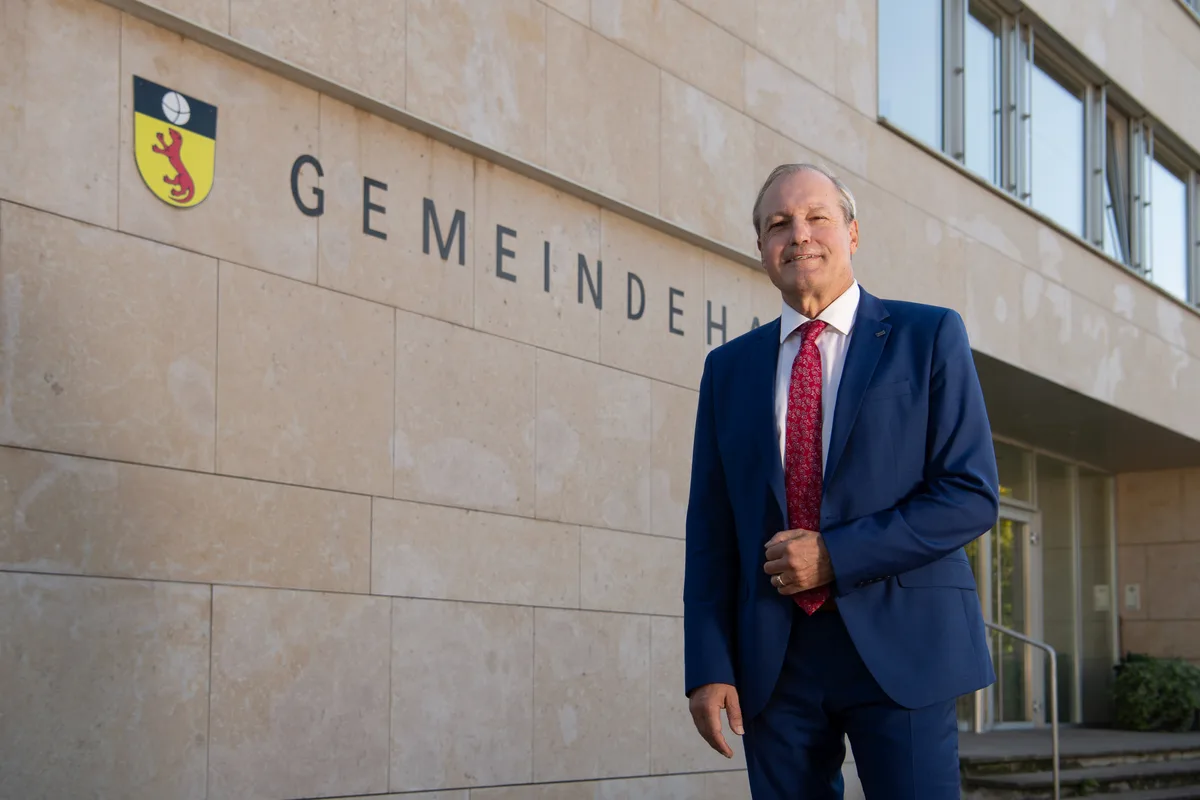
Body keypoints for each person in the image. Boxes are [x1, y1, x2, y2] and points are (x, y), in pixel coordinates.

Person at [683, 163, 999, 799]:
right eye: (778, 224)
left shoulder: (928, 335)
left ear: (852, 233)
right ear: (762, 250)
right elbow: (711, 530)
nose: (798, 234)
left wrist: (835, 555)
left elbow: (969, 495)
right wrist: (708, 665)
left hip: (903, 646)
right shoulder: (728, 370)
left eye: (816, 217)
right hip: (774, 663)